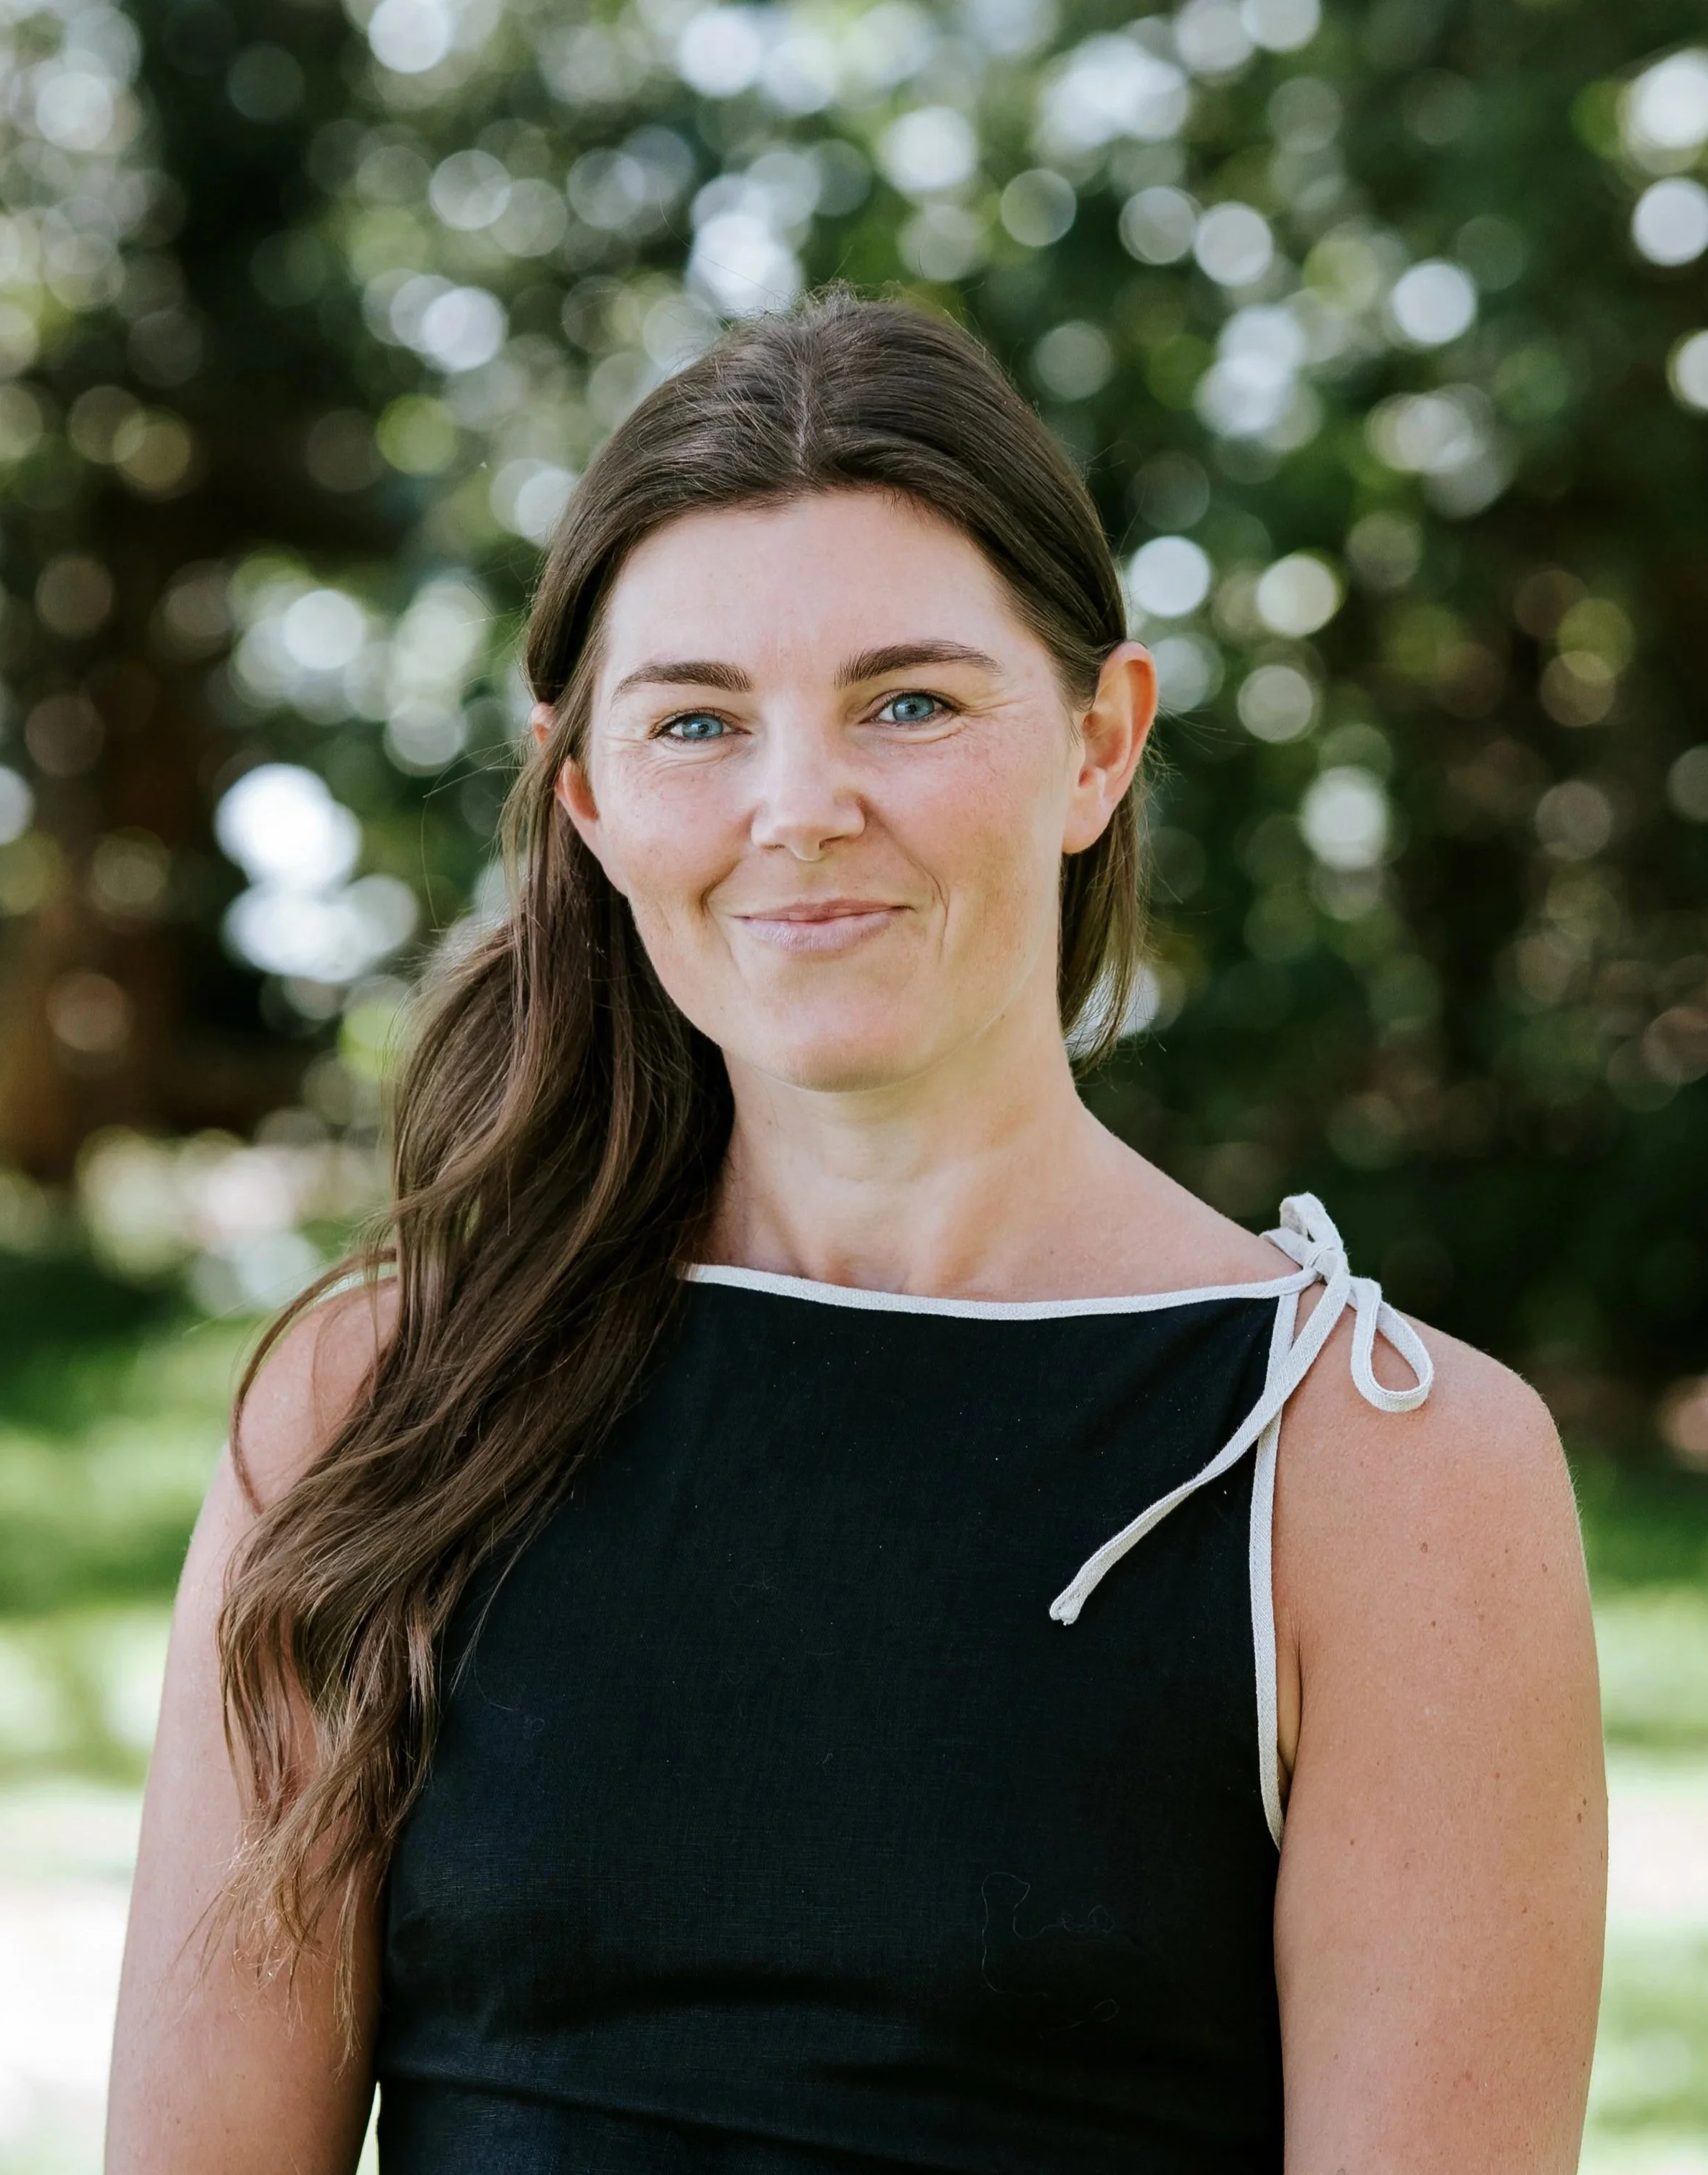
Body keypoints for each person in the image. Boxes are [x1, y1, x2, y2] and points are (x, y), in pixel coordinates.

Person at [107, 290, 1605, 2174]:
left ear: (1095, 743)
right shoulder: (376, 1405)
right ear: (586, 796)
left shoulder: (1383, 1471)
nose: (799, 809)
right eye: (697, 723)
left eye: (908, 701)